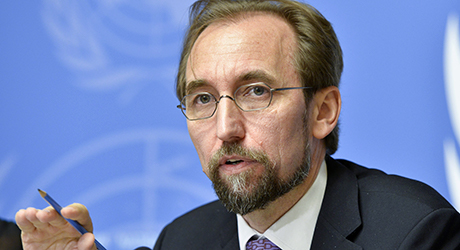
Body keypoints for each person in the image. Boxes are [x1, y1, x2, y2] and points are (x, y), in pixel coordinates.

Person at [15, 0, 460, 249]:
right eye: (203, 98)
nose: (225, 127)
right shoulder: (183, 242)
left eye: (256, 91)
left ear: (323, 111)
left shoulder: (414, 233)